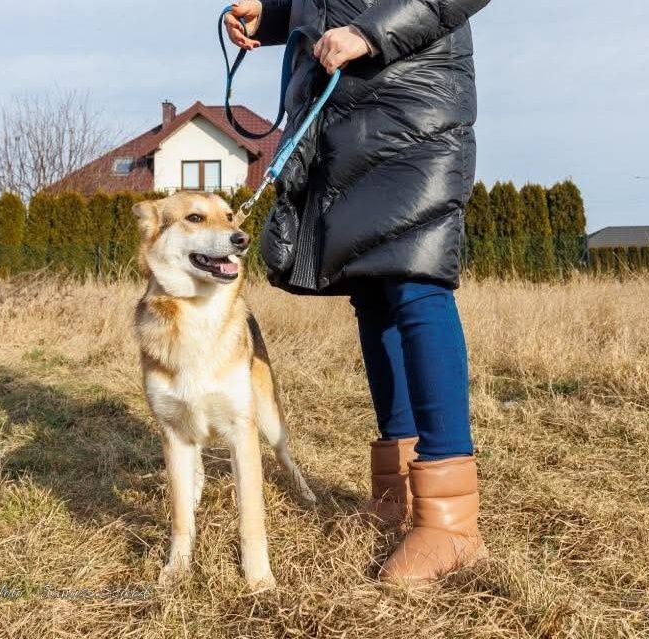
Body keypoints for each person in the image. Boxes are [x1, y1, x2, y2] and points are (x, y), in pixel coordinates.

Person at [224, 0, 491, 584]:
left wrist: (372, 33)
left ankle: (450, 524)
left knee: (414, 281)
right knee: (370, 292)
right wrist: (270, 18)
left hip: (416, 102)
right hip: (343, 114)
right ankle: (396, 496)